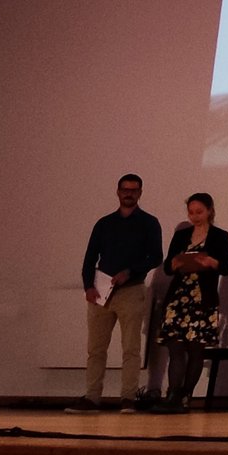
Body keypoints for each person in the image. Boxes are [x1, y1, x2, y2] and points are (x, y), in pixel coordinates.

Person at [69, 173, 163, 413]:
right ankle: (92, 398)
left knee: (130, 348)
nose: (128, 193)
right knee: (96, 348)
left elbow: (156, 257)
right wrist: (88, 286)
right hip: (101, 292)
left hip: (131, 291)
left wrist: (130, 272)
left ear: (140, 193)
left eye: (133, 189)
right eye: (125, 189)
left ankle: (128, 398)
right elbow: (90, 258)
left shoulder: (149, 223)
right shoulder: (104, 223)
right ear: (118, 191)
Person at [153, 192, 228, 413]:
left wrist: (210, 261)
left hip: (202, 299)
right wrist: (177, 262)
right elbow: (168, 265)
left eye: (199, 212)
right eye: (191, 212)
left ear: (209, 211)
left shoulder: (219, 236)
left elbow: (226, 267)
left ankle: (186, 395)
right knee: (175, 348)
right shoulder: (182, 235)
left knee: (196, 350)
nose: (195, 217)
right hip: (179, 297)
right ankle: (172, 395)